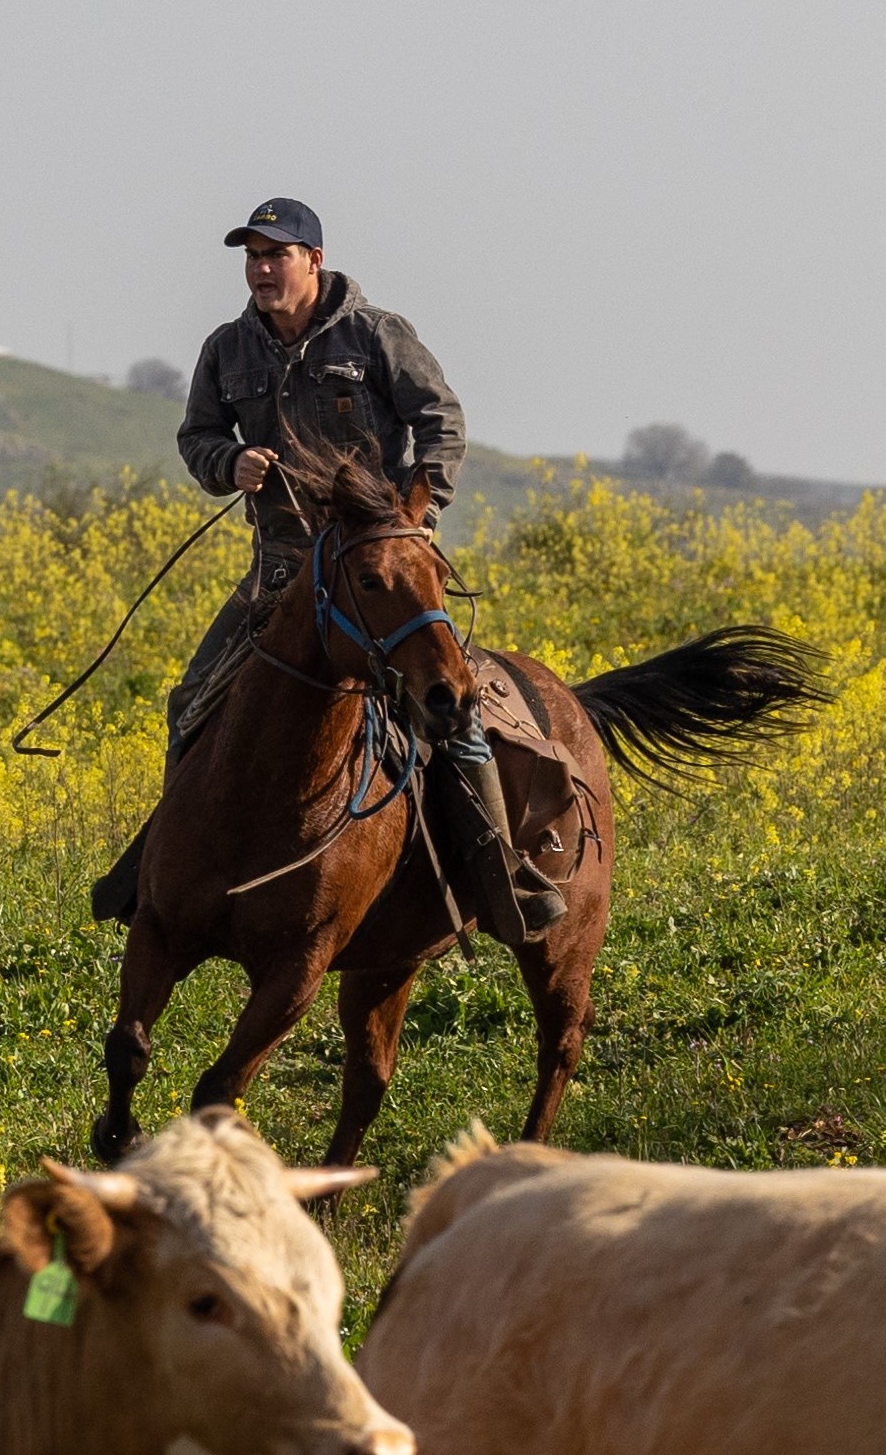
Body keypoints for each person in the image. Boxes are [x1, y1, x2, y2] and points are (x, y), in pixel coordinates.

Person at [90, 196, 561, 940]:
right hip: (281, 573)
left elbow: (442, 419)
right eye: (252, 257)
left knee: (452, 708)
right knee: (190, 703)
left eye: (276, 255)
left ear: (315, 260)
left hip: (380, 568)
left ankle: (500, 874)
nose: (261, 269)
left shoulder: (376, 335)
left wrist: (416, 520)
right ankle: (165, 874)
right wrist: (230, 462)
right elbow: (198, 437)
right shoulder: (227, 348)